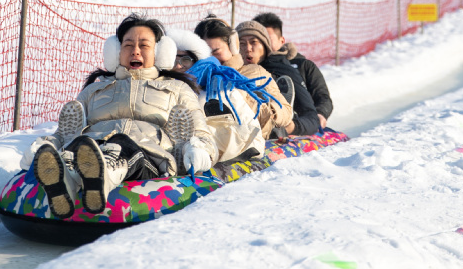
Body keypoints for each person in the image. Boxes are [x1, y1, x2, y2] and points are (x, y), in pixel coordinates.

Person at [25, 14, 217, 219]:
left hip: (148, 154)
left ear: (160, 53)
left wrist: (200, 150)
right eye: (128, 45)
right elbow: (64, 132)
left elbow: (199, 131)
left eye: (144, 45)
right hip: (91, 146)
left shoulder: (177, 89)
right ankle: (67, 178)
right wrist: (45, 146)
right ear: (116, 51)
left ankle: (101, 175)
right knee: (79, 145)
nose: (135, 50)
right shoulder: (94, 90)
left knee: (121, 145)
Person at [166, 28, 268, 161]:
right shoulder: (162, 88)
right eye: (173, 60)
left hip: (228, 151)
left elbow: (252, 131)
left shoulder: (220, 88)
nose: (179, 66)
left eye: (185, 60)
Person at [193, 15, 293, 139]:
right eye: (205, 54)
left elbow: (286, 112)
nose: (211, 59)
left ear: (232, 48)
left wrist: (265, 109)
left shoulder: (254, 72)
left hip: (248, 137)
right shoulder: (191, 77)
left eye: (216, 52)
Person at [235, 20, 320, 137]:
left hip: (277, 125)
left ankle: (279, 109)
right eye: (242, 44)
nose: (248, 48)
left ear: (265, 46)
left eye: (254, 42)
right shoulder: (231, 71)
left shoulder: (282, 70)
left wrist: (290, 127)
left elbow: (312, 118)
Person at [253, 12, 334, 127]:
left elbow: (322, 97)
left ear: (281, 40)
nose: (264, 45)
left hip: (300, 123)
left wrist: (320, 114)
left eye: (268, 40)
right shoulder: (251, 67)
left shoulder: (303, 66)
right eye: (259, 41)